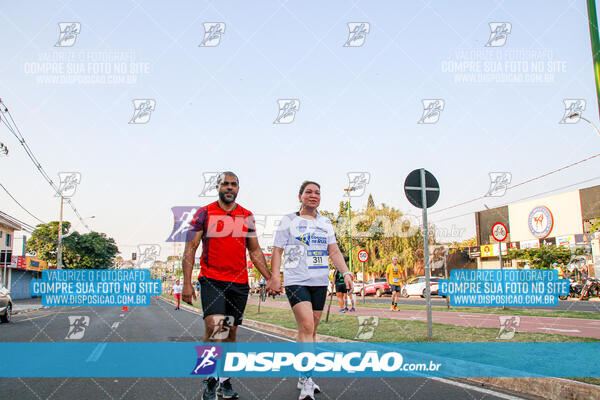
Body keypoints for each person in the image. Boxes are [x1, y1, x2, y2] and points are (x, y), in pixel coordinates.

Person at [181, 171, 278, 400]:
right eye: (225, 183)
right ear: (217, 187)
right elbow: (190, 248)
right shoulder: (204, 214)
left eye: (234, 184)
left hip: (239, 282)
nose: (229, 187)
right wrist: (187, 283)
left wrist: (270, 277)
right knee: (215, 327)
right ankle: (209, 378)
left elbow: (254, 250)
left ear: (238, 188)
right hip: (211, 279)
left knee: (231, 332)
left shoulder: (247, 216)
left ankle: (225, 381)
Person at [270, 181, 353, 400]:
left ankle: (302, 373)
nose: (313, 195)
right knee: (306, 325)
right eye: (308, 192)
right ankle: (307, 380)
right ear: (300, 197)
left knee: (311, 331)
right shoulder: (289, 220)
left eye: (317, 192)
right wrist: (274, 276)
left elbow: (333, 251)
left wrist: (345, 273)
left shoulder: (325, 222)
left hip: (319, 282)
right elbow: (277, 250)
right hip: (296, 280)